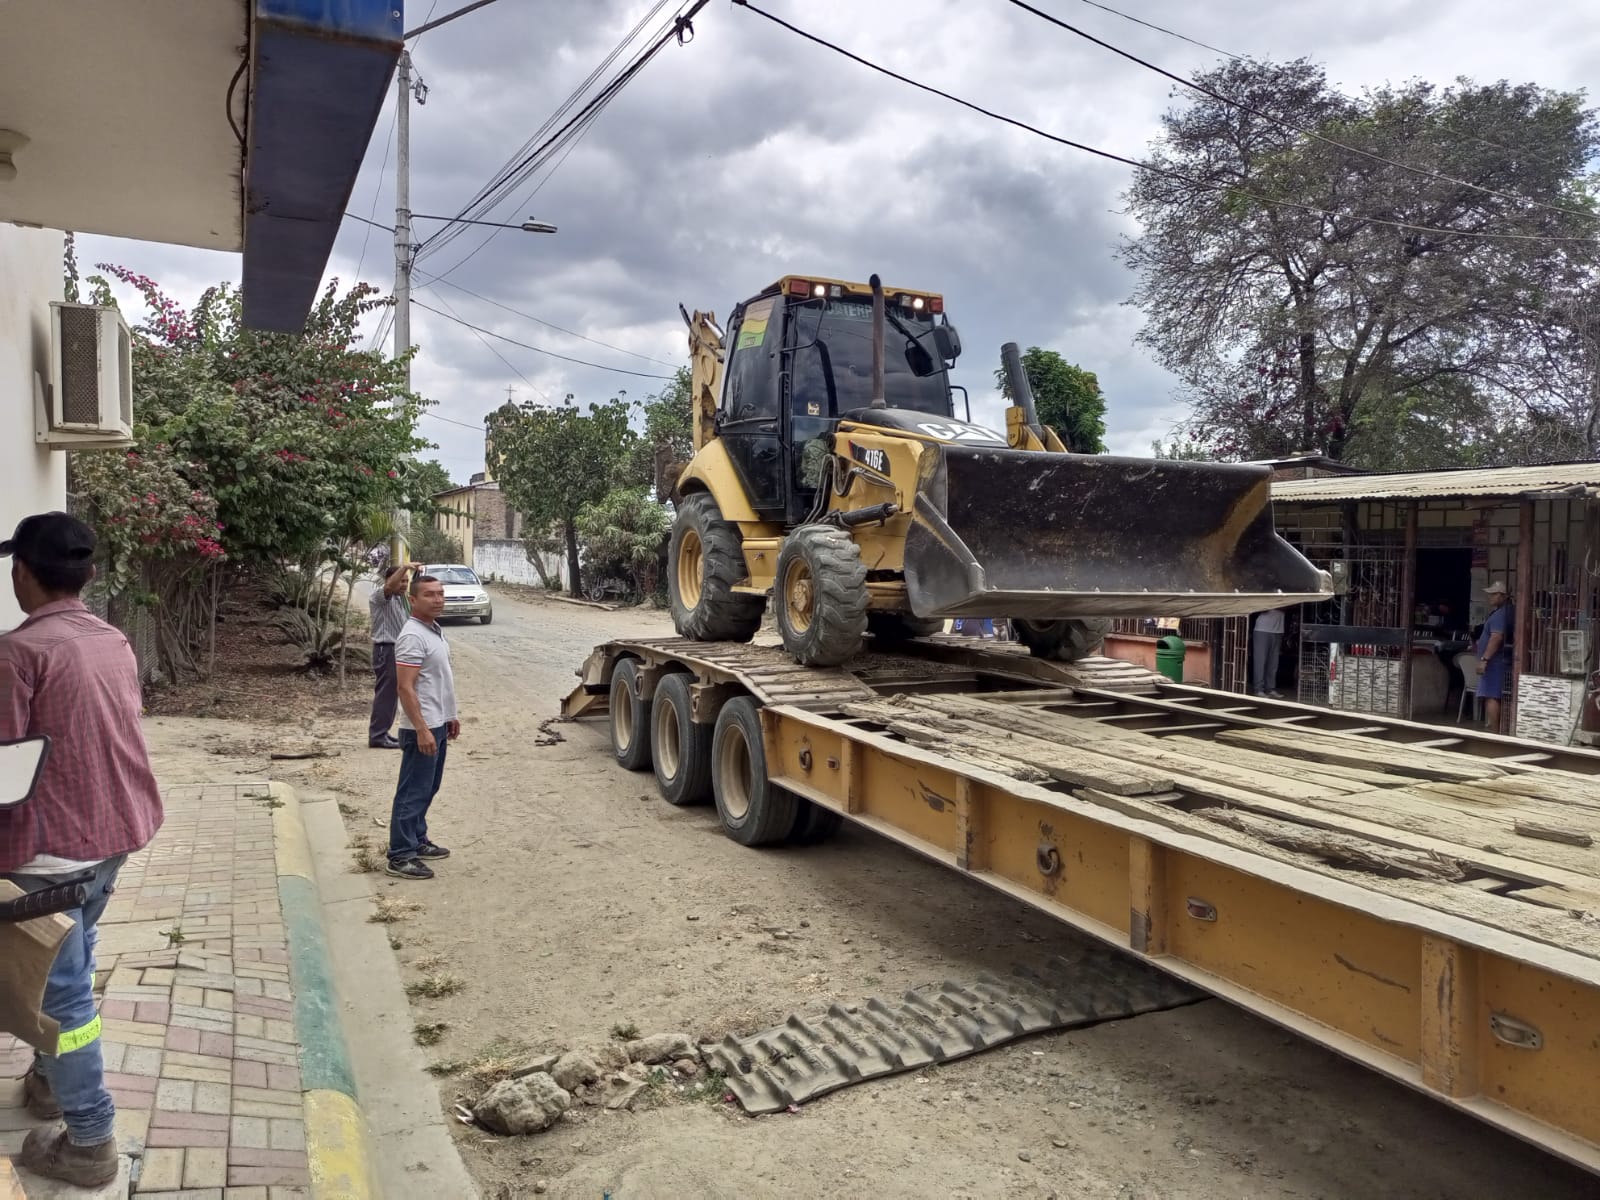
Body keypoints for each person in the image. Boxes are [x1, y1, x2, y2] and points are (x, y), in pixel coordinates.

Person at [0, 512, 164, 1188]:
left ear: (22, 573)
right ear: (89, 574)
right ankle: (48, 1084)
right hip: (111, 838)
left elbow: (4, 768)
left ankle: (91, 1140)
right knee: (66, 965)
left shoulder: (18, 653)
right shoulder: (111, 639)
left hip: (50, 858)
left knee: (63, 996)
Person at [387, 574, 460, 880]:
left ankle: (417, 839)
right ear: (413, 600)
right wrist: (421, 728)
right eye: (429, 594)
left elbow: (438, 680)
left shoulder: (433, 630)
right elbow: (405, 687)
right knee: (412, 792)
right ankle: (400, 855)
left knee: (428, 787)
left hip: (437, 722)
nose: (438, 599)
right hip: (422, 726)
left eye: (440, 593)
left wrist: (450, 715)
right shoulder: (412, 636)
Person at [368, 561, 423, 749]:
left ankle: (382, 732)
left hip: (397, 650)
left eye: (406, 581)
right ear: (389, 580)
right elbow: (390, 587)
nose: (404, 584)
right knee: (386, 694)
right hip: (386, 649)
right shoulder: (380, 597)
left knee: (393, 694)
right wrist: (405, 567)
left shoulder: (401, 600)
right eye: (401, 581)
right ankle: (377, 735)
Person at [1475, 581, 1515, 733]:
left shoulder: (1500, 614)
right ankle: (1501, 730)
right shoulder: (1509, 611)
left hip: (1495, 661)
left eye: (1494, 594)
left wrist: (1484, 659)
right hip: (1503, 659)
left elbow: (1496, 637)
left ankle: (1495, 732)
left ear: (1503, 596)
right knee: (1500, 695)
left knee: (1491, 695)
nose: (1490, 597)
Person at [1251, 606, 1286, 698]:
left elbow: (1291, 606)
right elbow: (1261, 607)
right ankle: (1258, 689)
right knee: (1260, 661)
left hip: (1278, 630)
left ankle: (1270, 689)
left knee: (1273, 663)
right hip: (1262, 630)